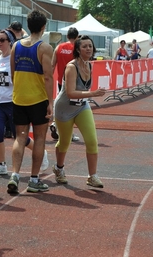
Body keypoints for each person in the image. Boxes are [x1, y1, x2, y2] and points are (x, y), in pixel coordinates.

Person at [0, 29, 49, 177]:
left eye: (2, 40)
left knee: (19, 137)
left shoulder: (15, 60)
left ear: (10, 42)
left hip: (14, 101)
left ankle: (41, 152)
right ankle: (1, 165)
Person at [7, 10, 53, 193]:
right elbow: (48, 77)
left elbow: (12, 73)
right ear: (43, 27)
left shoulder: (15, 46)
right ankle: (34, 180)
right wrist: (50, 102)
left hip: (19, 98)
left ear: (27, 26)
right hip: (38, 99)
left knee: (20, 137)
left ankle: (15, 175)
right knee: (40, 138)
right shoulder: (45, 48)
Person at [52, 35, 106, 187]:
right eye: (85, 46)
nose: (88, 48)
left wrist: (89, 95)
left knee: (92, 141)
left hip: (82, 106)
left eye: (90, 46)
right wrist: (93, 94)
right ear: (77, 49)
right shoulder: (71, 67)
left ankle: (92, 176)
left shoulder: (90, 65)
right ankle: (59, 168)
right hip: (64, 108)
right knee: (64, 142)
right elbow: (70, 92)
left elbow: (82, 91)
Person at [50, 27, 80, 142]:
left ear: (67, 36)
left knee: (62, 105)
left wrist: (49, 79)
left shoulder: (59, 47)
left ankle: (55, 124)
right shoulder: (77, 49)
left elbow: (52, 65)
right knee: (71, 108)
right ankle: (68, 134)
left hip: (60, 81)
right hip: (73, 82)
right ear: (77, 37)